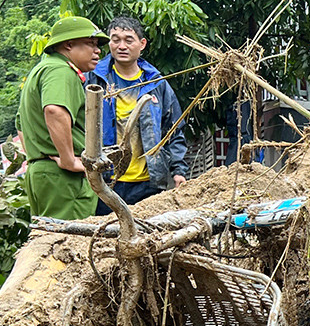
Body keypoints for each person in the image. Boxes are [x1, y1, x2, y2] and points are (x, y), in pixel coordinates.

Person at [86, 16, 187, 206]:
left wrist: (178, 170)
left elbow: (174, 129)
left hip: (148, 183)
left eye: (128, 40)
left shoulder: (157, 84)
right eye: (115, 40)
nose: (121, 46)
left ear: (142, 44)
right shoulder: (94, 79)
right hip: (103, 180)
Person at [15, 16, 107, 219]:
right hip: (64, 177)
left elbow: (20, 124)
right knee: (69, 244)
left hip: (43, 173)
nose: (98, 50)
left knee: (47, 241)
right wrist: (68, 159)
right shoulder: (61, 71)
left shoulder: (41, 69)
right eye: (91, 44)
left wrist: (37, 154)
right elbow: (54, 111)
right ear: (68, 44)